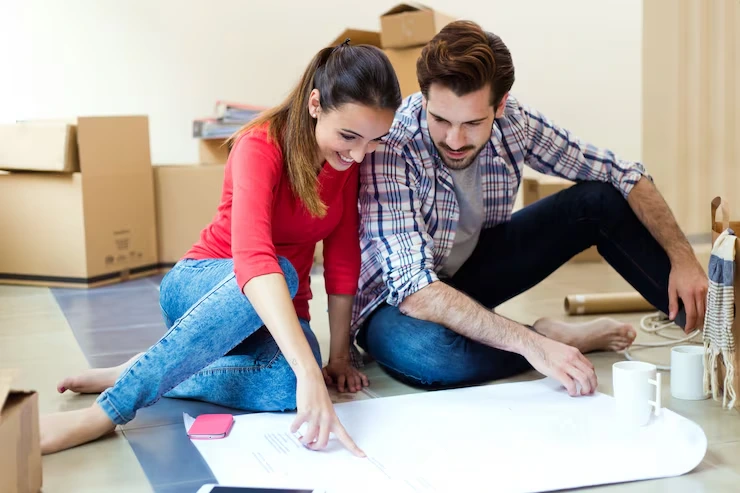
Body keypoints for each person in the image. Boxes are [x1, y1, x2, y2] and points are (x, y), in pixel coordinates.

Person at [40, 40, 402, 456]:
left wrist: (338, 358)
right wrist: (308, 369)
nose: (358, 154)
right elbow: (253, 261)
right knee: (280, 279)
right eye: (349, 136)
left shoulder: (346, 161)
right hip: (204, 285)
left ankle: (147, 366)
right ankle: (109, 408)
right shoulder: (259, 144)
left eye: (374, 140)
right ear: (316, 104)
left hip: (274, 309)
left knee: (288, 384)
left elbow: (341, 260)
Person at [350, 21, 708, 396]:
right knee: (434, 356)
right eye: (440, 120)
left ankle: (713, 328)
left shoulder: (515, 121)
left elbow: (621, 172)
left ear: (499, 105)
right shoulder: (393, 144)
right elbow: (415, 289)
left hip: (467, 276)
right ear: (424, 100)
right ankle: (547, 338)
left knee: (598, 200)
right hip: (394, 302)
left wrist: (683, 257)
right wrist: (532, 344)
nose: (454, 140)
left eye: (473, 123)